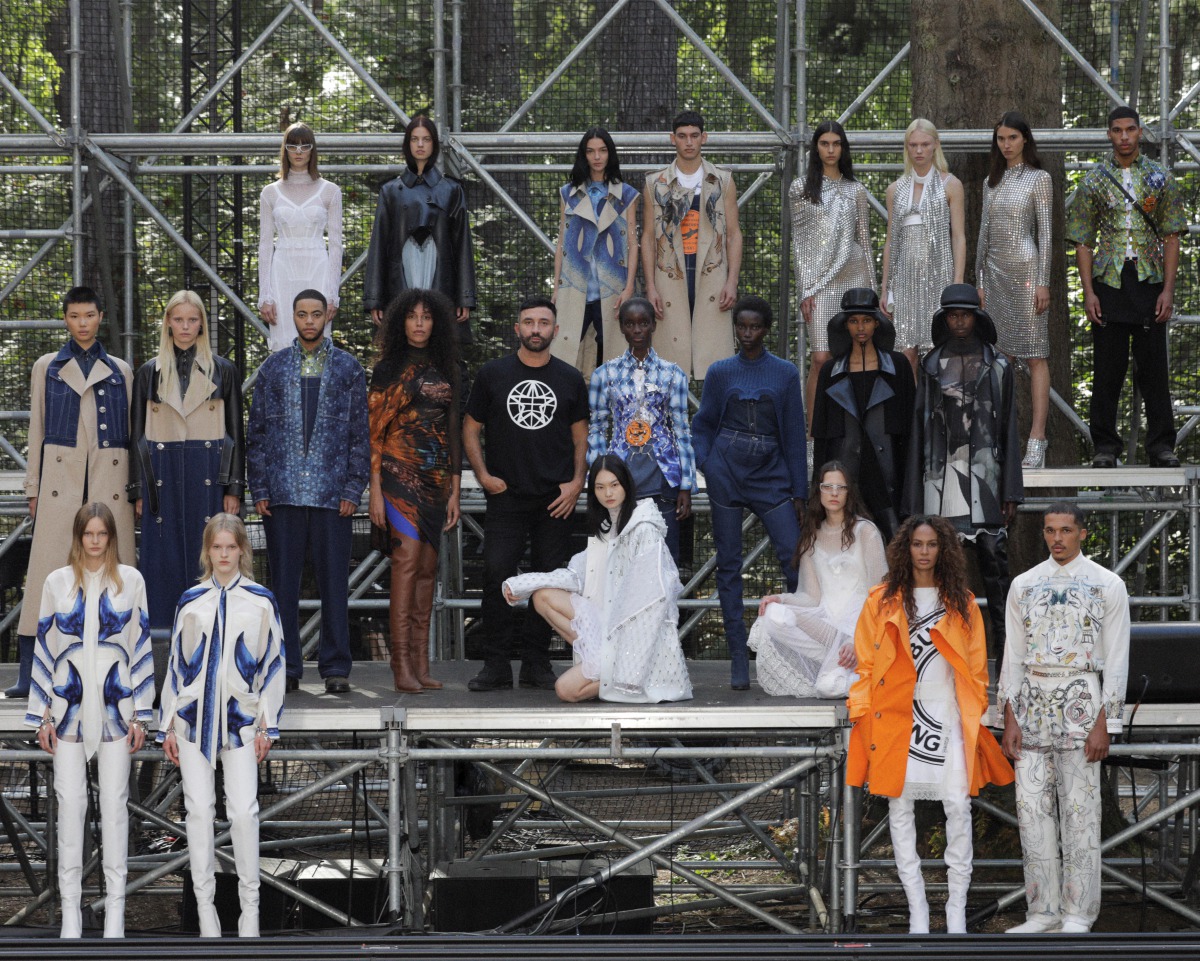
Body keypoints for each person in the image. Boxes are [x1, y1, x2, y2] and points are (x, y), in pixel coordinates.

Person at [847, 515, 1013, 934]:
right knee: (898, 808)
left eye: (932, 544)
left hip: (947, 714)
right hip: (895, 715)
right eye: (917, 544)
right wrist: (863, 711)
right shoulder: (880, 600)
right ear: (906, 548)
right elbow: (866, 665)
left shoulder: (962, 602)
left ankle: (956, 909)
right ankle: (917, 910)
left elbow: (976, 670)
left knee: (958, 805)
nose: (924, 552)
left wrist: (975, 715)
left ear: (944, 550)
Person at [1000, 503, 1130, 934]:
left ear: (1082, 534)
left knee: (1081, 813)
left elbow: (1117, 659)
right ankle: (1042, 912)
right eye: (1051, 531)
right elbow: (1013, 653)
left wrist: (1105, 723)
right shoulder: (1023, 584)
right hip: (1032, 701)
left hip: (1081, 697)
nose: (1058, 538)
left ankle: (1078, 913)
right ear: (1043, 533)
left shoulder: (1107, 585)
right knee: (1032, 811)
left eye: (1066, 530)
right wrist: (1009, 715)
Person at [26, 503, 152, 938]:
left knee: (115, 807)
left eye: (102, 533)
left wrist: (143, 714)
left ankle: (115, 913)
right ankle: (72, 915)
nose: (95, 541)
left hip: (117, 709)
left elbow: (140, 647)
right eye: (88, 533)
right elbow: (44, 648)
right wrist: (41, 715)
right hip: (67, 710)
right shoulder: (56, 582)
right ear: (78, 536)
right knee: (71, 806)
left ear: (111, 537)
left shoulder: (131, 581)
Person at [158, 513, 285, 939]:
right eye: (217, 547)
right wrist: (168, 726)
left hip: (242, 721)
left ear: (242, 550)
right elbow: (177, 666)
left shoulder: (261, 601)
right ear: (207, 551)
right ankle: (206, 915)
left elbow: (273, 666)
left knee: (245, 812)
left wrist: (268, 725)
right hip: (193, 722)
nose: (224, 554)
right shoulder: (191, 600)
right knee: (197, 812)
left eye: (231, 547)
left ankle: (250, 914)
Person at [10, 287, 135, 700]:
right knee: (45, 579)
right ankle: (30, 675)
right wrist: (34, 486)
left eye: (89, 315)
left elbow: (132, 437)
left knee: (115, 579)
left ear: (100, 317)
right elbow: (37, 429)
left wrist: (133, 490)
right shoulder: (47, 366)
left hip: (109, 484)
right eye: (74, 315)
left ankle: (119, 670)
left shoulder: (121, 370)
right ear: (65, 319)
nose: (82, 323)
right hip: (60, 487)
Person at [463, 296, 589, 692]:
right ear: (517, 328)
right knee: (496, 574)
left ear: (555, 329)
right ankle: (496, 665)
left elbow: (581, 438)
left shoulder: (570, 378)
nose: (536, 329)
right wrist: (483, 474)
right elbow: (469, 428)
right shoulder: (492, 374)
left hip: (556, 500)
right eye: (529, 322)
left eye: (544, 322)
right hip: (507, 498)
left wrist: (576, 482)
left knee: (549, 582)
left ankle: (537, 664)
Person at [246, 289, 369, 695]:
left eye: (317, 314)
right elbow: (257, 434)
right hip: (281, 495)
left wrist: (353, 486)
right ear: (293, 318)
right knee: (283, 586)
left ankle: (336, 667)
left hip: (333, 496)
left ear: (326, 317)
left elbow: (359, 436)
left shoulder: (349, 369)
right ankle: (287, 665)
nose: (310, 321)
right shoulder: (273, 369)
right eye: (302, 314)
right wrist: (260, 486)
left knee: (335, 584)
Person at [501, 456, 692, 704]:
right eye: (600, 488)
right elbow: (575, 576)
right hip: (606, 629)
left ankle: (631, 677)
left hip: (635, 640)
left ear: (626, 486)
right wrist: (522, 584)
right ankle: (600, 661)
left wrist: (627, 659)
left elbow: (651, 604)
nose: (608, 493)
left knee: (565, 690)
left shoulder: (644, 530)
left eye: (614, 485)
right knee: (542, 596)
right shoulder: (606, 528)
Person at [692, 295, 807, 690]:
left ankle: (795, 653)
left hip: (771, 472)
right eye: (741, 326)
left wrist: (800, 491)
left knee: (795, 562)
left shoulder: (785, 373)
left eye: (755, 326)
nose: (747, 333)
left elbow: (793, 433)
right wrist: (706, 462)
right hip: (726, 470)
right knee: (728, 566)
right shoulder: (721, 372)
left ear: (766, 328)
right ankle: (739, 661)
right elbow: (703, 423)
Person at [905, 284, 1023, 664]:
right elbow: (917, 431)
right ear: (944, 318)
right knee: (940, 574)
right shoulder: (928, 365)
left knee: (996, 570)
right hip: (940, 481)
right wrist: (914, 496)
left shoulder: (999, 365)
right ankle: (940, 656)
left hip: (986, 478)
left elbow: (1009, 430)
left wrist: (1010, 491)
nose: (959, 320)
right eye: (953, 314)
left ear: (977, 317)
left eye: (965, 314)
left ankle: (1006, 659)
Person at [1067, 105, 1186, 468]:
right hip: (1109, 282)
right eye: (1117, 130)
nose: (1123, 137)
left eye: (1130, 130)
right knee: (1108, 368)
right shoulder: (1094, 179)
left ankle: (1161, 446)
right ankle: (1104, 447)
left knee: (1154, 369)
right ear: (1109, 134)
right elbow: (1083, 242)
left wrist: (1168, 290)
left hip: (1149, 281)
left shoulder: (1159, 177)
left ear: (1139, 133)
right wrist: (1089, 292)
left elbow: (1171, 236)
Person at [129, 290, 244, 630]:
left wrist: (233, 487)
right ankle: (162, 645)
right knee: (162, 563)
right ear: (167, 322)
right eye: (178, 319)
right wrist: (138, 490)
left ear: (202, 325)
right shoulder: (148, 373)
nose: (185, 327)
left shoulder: (224, 371)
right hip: (161, 478)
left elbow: (236, 433)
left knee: (207, 554)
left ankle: (214, 638)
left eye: (192, 320)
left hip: (206, 474)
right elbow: (136, 437)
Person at [368, 288, 461, 693]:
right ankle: (400, 667)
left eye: (427, 316)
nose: (420, 323)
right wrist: (373, 490)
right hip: (395, 474)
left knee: (427, 570)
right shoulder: (387, 369)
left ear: (436, 322)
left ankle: (422, 666)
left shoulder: (450, 367)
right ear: (400, 322)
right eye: (412, 316)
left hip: (436, 480)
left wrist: (455, 488)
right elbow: (373, 435)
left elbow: (455, 431)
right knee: (405, 566)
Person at [749, 462, 885, 699]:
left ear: (849, 492)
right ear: (819, 491)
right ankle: (845, 661)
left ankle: (860, 662)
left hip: (862, 625)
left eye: (840, 487)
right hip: (827, 626)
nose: (834, 493)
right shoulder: (811, 537)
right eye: (827, 486)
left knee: (827, 688)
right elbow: (811, 598)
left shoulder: (866, 532)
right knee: (773, 615)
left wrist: (858, 640)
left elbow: (881, 595)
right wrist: (779, 598)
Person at [587, 297, 695, 564]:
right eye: (630, 324)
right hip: (619, 475)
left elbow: (682, 430)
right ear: (622, 328)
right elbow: (597, 428)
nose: (637, 330)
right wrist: (598, 476)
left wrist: (686, 485)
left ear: (653, 326)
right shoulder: (604, 374)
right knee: (621, 557)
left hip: (663, 474)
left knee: (663, 556)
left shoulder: (674, 375)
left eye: (643, 323)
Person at [976, 111, 1054, 469]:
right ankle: (1001, 441)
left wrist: (1042, 281)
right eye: (1001, 139)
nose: (1006, 145)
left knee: (1036, 355)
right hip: (993, 274)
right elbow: (982, 235)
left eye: (1012, 138)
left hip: (1026, 271)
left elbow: (1046, 234)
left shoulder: (1039, 179)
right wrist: (978, 281)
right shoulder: (990, 182)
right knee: (999, 358)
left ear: (1025, 139)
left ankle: (1037, 440)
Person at [642, 109, 742, 379]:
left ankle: (714, 420)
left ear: (704, 138)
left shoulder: (723, 180)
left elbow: (733, 234)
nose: (689, 142)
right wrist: (650, 286)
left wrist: (732, 281)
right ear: (672, 138)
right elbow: (649, 238)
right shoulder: (655, 182)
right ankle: (669, 420)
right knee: (669, 360)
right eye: (683, 136)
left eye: (694, 136)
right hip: (669, 274)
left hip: (711, 274)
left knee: (714, 361)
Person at [788, 120, 876, 427]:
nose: (830, 149)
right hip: (819, 283)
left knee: (857, 359)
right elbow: (799, 246)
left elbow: (864, 242)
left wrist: (873, 295)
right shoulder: (801, 188)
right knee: (821, 359)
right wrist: (805, 290)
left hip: (855, 276)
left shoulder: (857, 190)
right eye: (824, 143)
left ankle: (851, 431)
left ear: (843, 148)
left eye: (836, 144)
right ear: (816, 148)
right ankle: (812, 436)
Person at [811, 288, 914, 542]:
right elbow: (822, 434)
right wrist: (817, 487)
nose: (861, 327)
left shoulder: (898, 366)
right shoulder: (829, 371)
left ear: (877, 325)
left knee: (893, 543)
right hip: (844, 470)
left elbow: (912, 428)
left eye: (867, 320)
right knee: (844, 543)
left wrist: (913, 484)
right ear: (845, 325)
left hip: (889, 470)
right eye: (854, 321)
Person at [364, 115, 476, 344]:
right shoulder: (391, 191)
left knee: (439, 339)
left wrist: (465, 296)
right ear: (408, 144)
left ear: (435, 144)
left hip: (439, 273)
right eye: (415, 139)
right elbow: (378, 246)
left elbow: (463, 245)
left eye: (426, 139)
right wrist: (375, 298)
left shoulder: (451, 190)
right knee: (402, 340)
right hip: (402, 272)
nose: (421, 145)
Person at [551, 126, 640, 375]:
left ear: (610, 153)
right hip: (575, 287)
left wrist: (629, 287)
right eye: (591, 151)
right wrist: (557, 288)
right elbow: (562, 243)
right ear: (584, 155)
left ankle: (611, 412)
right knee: (564, 355)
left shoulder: (627, 195)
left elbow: (633, 244)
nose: (597, 157)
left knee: (613, 356)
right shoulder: (568, 194)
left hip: (612, 290)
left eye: (602, 150)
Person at [880, 119, 966, 371]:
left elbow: (958, 236)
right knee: (906, 354)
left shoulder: (951, 185)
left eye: (925, 144)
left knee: (939, 353)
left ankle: (938, 410)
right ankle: (911, 410)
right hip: (904, 279)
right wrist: (885, 287)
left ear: (935, 145)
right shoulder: (895, 189)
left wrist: (957, 283)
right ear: (906, 148)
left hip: (939, 277)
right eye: (913, 145)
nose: (919, 150)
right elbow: (890, 241)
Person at [257, 122, 343, 352]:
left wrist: (333, 293)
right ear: (284, 150)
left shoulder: (330, 191)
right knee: (283, 344)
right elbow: (265, 245)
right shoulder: (270, 193)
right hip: (282, 271)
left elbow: (335, 245)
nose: (298, 152)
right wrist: (264, 295)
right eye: (292, 146)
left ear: (313, 150)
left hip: (318, 269)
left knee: (318, 341)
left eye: (305, 146)